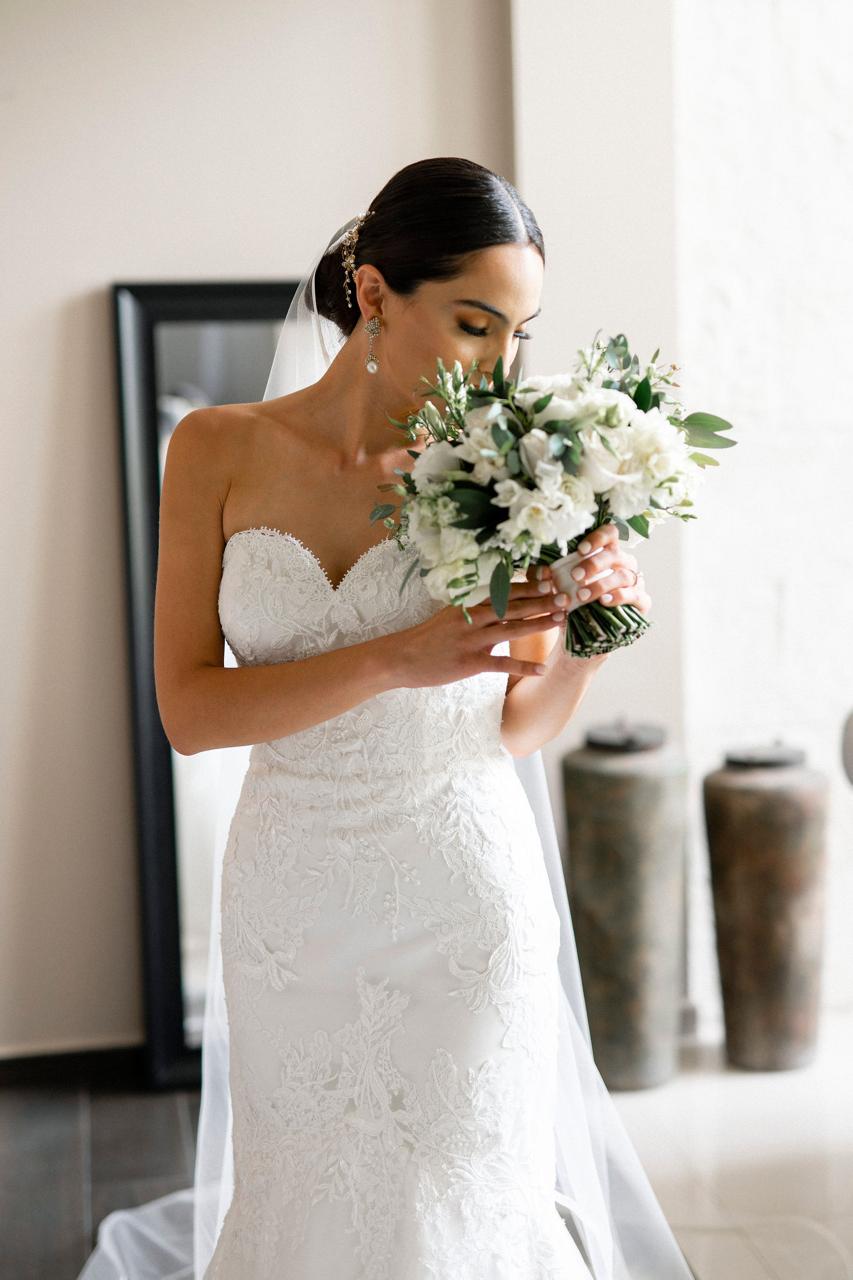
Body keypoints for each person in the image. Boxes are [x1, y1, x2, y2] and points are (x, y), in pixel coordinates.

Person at [79, 156, 695, 1280]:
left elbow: (516, 722)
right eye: (474, 323)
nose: (504, 367)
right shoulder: (215, 448)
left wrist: (595, 639)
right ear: (372, 295)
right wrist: (399, 656)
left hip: (463, 897)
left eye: (521, 332)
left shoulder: (511, 468)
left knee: (462, 1209)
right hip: (288, 902)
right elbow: (189, 710)